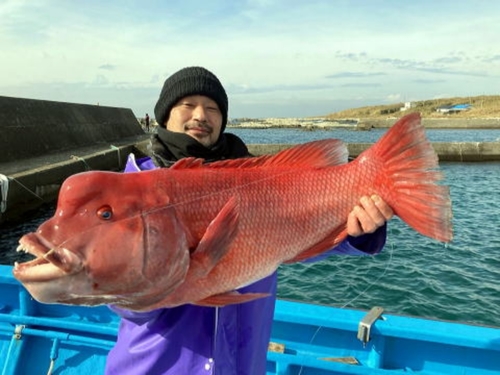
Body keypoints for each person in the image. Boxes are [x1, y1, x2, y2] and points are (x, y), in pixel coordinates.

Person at [104, 66, 393, 375]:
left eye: (212, 108)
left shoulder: (254, 180)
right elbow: (120, 300)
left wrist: (358, 233)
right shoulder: (132, 190)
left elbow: (296, 237)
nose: (201, 115)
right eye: (187, 105)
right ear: (164, 116)